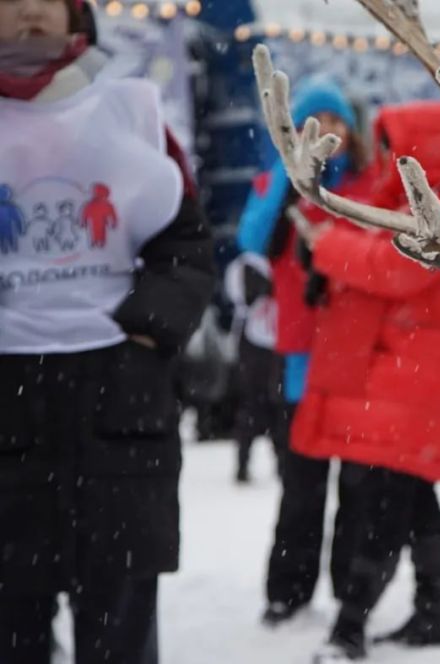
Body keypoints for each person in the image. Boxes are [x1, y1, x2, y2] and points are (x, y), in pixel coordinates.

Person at [0, 0, 214, 662]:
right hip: (8, 403)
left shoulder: (130, 111)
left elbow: (186, 245)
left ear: (78, 17)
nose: (32, 10)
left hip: (120, 404)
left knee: (119, 626)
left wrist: (145, 340)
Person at [292, 100, 440, 661]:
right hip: (398, 381)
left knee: (384, 504)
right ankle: (433, 610)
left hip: (412, 382)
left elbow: (392, 269)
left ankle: (350, 627)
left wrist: (326, 247)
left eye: (392, 148)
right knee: (412, 497)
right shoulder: (410, 207)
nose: (382, 158)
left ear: (418, 155)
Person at [237, 75, 373, 626]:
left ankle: (350, 590)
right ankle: (286, 593)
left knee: (358, 491)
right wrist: (289, 182)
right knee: (301, 488)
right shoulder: (276, 181)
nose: (328, 133)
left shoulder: (366, 187)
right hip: (299, 362)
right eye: (316, 122)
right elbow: (251, 240)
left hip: (357, 359)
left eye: (337, 121)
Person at [224, 251, 284, 483]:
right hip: (259, 339)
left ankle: (278, 464)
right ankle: (246, 464)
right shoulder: (248, 262)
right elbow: (239, 295)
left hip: (271, 339)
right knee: (261, 405)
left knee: (269, 406)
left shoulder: (246, 263)